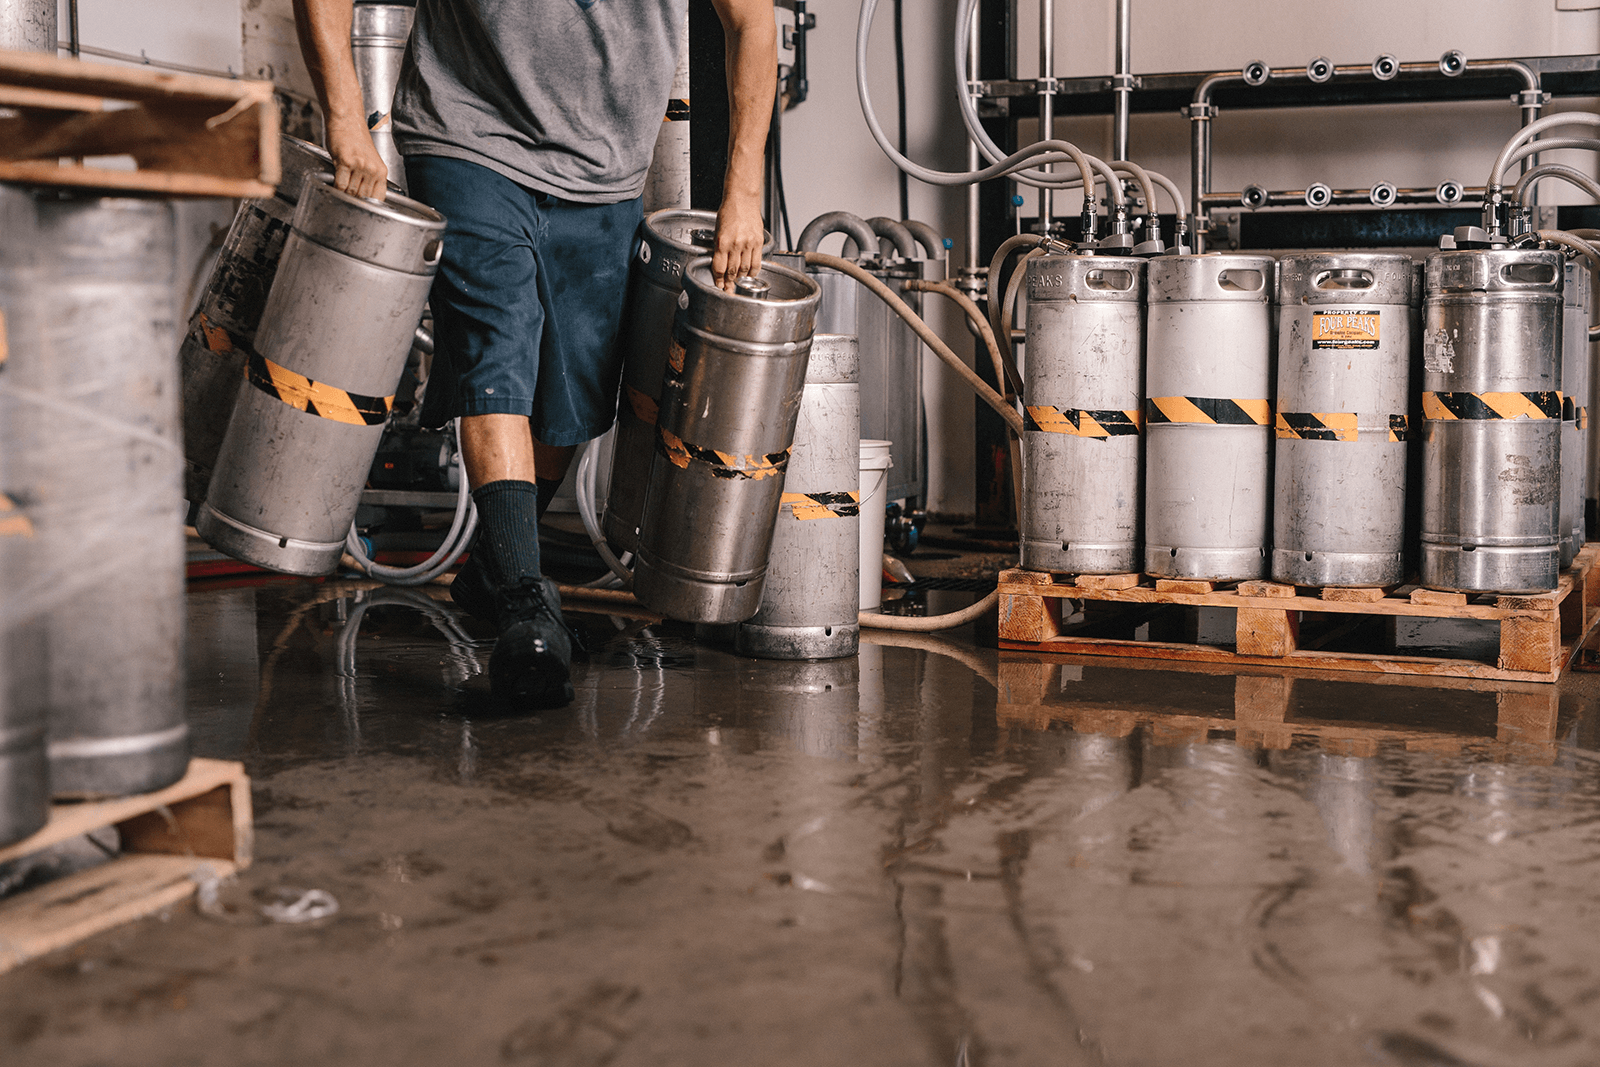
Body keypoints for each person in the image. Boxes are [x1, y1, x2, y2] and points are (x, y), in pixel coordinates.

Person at [293, 0, 776, 708]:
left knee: (572, 397)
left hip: (606, 171)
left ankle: (496, 564)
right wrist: (344, 117)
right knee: (499, 353)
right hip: (468, 133)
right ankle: (525, 602)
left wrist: (743, 190)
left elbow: (753, 22)